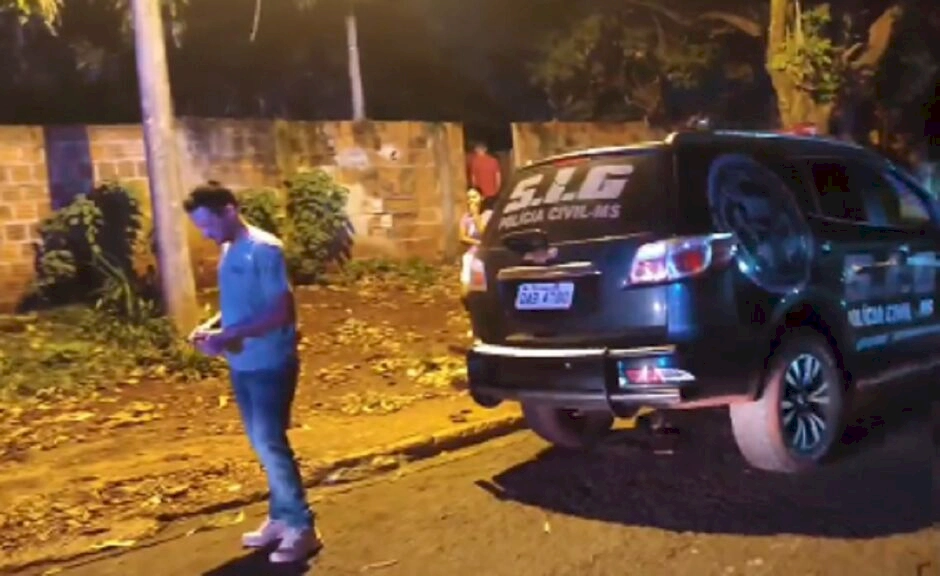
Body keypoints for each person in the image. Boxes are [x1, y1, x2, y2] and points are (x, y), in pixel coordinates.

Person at [184, 181, 318, 565]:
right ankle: (281, 518)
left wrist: (227, 336)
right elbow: (242, 306)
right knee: (263, 444)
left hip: (270, 362)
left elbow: (281, 312)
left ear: (229, 210)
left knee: (270, 444)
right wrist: (212, 327)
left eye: (208, 224)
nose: (205, 234)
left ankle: (302, 527)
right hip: (243, 363)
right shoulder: (230, 249)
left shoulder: (265, 249)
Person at [459, 187, 491, 292]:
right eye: (469, 198)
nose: (471, 200)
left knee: (480, 287)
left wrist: (476, 216)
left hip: (485, 255)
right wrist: (477, 242)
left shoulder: (488, 215)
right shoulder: (466, 217)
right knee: (465, 285)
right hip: (471, 254)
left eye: (474, 197)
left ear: (481, 198)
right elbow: (462, 237)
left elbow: (485, 234)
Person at [468, 141, 502, 211]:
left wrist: (475, 191)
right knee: (492, 212)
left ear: (476, 150)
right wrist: (497, 190)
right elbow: (498, 177)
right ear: (485, 149)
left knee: (482, 213)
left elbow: (473, 180)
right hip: (493, 193)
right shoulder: (493, 161)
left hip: (481, 194)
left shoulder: (474, 162)